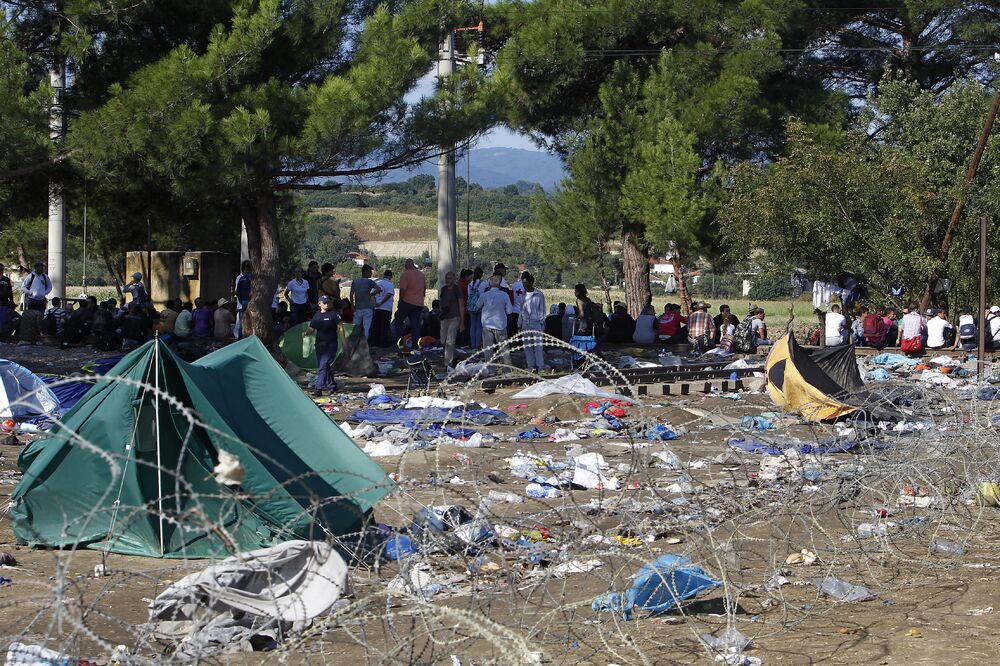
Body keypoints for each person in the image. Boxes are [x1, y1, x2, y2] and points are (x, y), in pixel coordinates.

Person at [393, 258, 426, 349]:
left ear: (406, 266)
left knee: (398, 320)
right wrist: (421, 298)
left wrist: (400, 301)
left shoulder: (405, 274)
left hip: (407, 302)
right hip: (418, 303)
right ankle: (415, 345)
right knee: (415, 324)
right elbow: (424, 289)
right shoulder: (421, 275)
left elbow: (402, 290)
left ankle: (399, 342)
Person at [480, 273, 513, 366]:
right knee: (504, 348)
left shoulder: (484, 295)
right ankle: (507, 369)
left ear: (490, 283)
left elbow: (477, 306)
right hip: (500, 324)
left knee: (488, 349)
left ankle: (490, 369)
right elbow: (510, 310)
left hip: (487, 324)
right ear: (500, 283)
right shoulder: (504, 295)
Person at [519, 272, 547, 370]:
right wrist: (520, 323)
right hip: (526, 323)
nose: (524, 285)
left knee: (538, 347)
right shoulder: (522, 295)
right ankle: (531, 366)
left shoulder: (538, 294)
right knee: (527, 347)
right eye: (523, 283)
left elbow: (542, 310)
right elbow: (521, 310)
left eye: (525, 283)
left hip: (537, 323)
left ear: (531, 282)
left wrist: (542, 323)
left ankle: (540, 366)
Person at [438, 271, 466, 367]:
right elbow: (441, 302)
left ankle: (448, 363)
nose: (447, 280)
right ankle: (456, 354)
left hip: (455, 317)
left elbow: (461, 306)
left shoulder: (457, 290)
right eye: (446, 278)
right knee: (443, 341)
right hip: (444, 317)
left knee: (450, 340)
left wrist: (462, 322)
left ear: (454, 279)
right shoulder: (443, 289)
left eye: (449, 278)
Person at [350, 264, 381, 338]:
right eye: (370, 272)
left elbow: (351, 294)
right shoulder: (370, 282)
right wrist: (371, 294)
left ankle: (353, 343)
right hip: (368, 307)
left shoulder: (355, 281)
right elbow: (379, 289)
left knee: (355, 327)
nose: (371, 273)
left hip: (358, 307)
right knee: (366, 327)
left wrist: (352, 305)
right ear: (365, 272)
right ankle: (364, 344)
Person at [369, 269, 394, 347]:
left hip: (376, 308)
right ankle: (383, 344)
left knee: (376, 326)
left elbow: (372, 295)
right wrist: (381, 303)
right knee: (384, 326)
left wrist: (375, 304)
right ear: (390, 277)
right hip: (386, 308)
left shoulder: (377, 283)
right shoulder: (390, 284)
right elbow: (389, 294)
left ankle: (375, 343)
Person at [467, 267, 485, 348]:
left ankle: (472, 344)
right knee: (479, 326)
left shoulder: (470, 284)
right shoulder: (483, 284)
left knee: (472, 326)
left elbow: (468, 295)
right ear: (481, 275)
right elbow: (482, 296)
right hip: (480, 307)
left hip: (471, 307)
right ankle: (477, 345)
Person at [234, 260, 251, 338]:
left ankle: (241, 339)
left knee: (243, 324)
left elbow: (238, 292)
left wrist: (242, 301)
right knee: (247, 324)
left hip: (243, 303)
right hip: (247, 304)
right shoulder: (253, 278)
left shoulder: (241, 279)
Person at [457, 268, 472, 347]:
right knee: (465, 326)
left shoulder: (458, 284)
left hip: (458, 309)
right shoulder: (466, 285)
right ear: (467, 276)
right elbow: (467, 297)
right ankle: (464, 343)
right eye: (470, 277)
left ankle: (459, 343)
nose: (471, 279)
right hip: (464, 308)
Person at [510, 270, 527, 337]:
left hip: (514, 310)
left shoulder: (514, 285)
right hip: (523, 311)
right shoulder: (526, 285)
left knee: (515, 330)